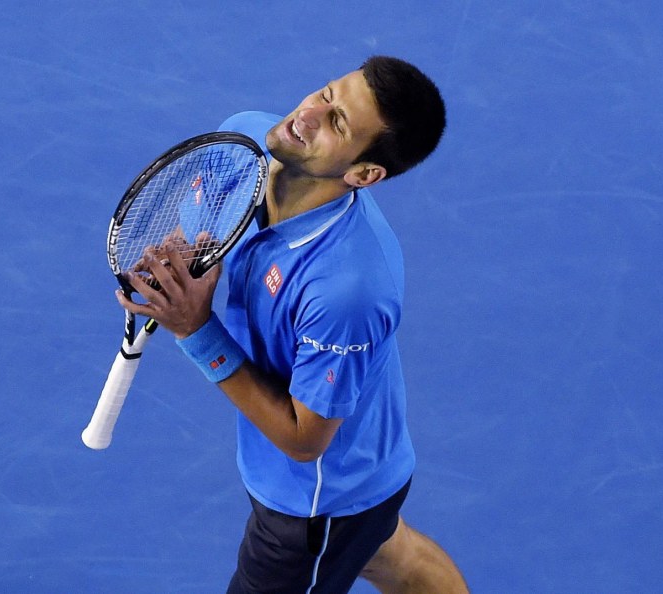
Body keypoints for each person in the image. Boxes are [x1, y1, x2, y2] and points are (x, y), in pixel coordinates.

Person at [117, 55, 468, 593]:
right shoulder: (243, 141)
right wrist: (182, 267)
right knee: (396, 559)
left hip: (321, 501)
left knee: (376, 545)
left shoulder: (348, 287)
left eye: (338, 124)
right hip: (372, 459)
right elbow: (206, 232)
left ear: (364, 173)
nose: (308, 115)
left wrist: (196, 330)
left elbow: (305, 441)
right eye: (327, 94)